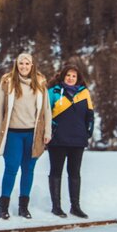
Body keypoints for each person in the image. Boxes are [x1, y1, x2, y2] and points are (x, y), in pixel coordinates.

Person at [0, 52, 51, 220]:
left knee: (28, 170)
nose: (24, 66)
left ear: (32, 65)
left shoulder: (40, 83)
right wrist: (0, 132)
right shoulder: (7, 82)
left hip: (33, 134)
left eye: (27, 63)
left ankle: (23, 207)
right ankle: (3, 207)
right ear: (16, 65)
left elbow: (46, 109)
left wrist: (47, 131)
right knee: (11, 169)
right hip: (13, 134)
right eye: (21, 63)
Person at [47, 64, 94, 219]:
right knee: (56, 172)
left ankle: (75, 206)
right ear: (63, 76)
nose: (70, 78)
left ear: (78, 78)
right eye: (68, 75)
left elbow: (90, 114)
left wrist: (88, 131)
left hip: (78, 140)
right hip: (57, 139)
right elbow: (45, 114)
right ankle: (56, 207)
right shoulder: (53, 92)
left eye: (74, 76)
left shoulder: (84, 93)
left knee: (74, 173)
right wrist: (50, 129)